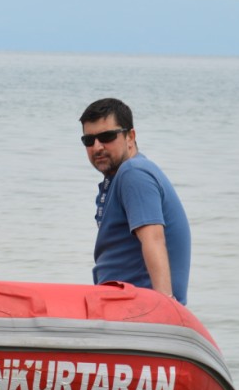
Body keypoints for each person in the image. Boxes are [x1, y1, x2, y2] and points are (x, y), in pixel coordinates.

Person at [79, 97, 191, 303]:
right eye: (89, 140)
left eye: (106, 136)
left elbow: (154, 239)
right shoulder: (118, 178)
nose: (97, 147)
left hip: (138, 312)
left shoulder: (134, 173)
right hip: (120, 307)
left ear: (130, 136)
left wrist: (164, 304)